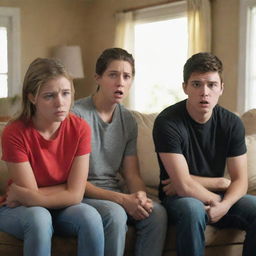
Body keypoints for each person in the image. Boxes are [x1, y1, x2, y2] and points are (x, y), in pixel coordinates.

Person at [153, 52, 256, 256]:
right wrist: (218, 198)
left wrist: (224, 204)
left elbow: (240, 180)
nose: (205, 92)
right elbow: (182, 186)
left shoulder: (232, 123)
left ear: (221, 88)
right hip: (179, 199)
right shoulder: (167, 122)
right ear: (185, 87)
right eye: (197, 84)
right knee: (193, 209)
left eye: (211, 84)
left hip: (217, 197)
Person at [0, 58, 104, 256]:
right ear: (32, 97)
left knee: (90, 216)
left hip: (47, 204)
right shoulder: (14, 132)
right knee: (39, 218)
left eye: (65, 93)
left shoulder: (80, 128)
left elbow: (74, 195)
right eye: (49, 96)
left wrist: (26, 194)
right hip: (19, 209)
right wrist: (66, 190)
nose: (60, 103)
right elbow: (32, 196)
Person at [72, 47, 167, 256]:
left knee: (156, 213)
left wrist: (140, 197)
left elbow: (132, 174)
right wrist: (123, 200)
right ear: (98, 78)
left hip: (114, 191)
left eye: (127, 76)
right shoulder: (76, 116)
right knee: (115, 214)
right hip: (82, 194)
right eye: (113, 75)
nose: (120, 82)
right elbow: (74, 182)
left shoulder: (128, 121)